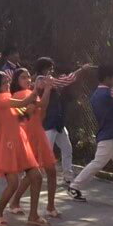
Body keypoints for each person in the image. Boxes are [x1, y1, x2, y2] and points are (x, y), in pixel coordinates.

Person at [0, 71, 45, 226]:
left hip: (19, 143)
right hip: (6, 146)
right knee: (13, 183)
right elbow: (22, 103)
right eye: (4, 82)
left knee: (36, 176)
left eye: (8, 81)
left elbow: (23, 112)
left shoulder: (7, 99)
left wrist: (32, 105)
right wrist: (36, 88)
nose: (8, 84)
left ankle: (33, 215)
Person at [68, 65, 113, 204]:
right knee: (98, 163)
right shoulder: (106, 93)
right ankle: (74, 186)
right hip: (110, 134)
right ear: (107, 79)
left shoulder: (99, 94)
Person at [6, 68, 59, 218]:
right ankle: (17, 202)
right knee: (34, 174)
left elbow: (42, 111)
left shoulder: (29, 94)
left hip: (37, 133)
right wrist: (45, 88)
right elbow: (41, 105)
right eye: (23, 77)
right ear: (16, 81)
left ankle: (49, 206)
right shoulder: (21, 95)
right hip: (29, 135)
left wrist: (46, 88)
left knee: (45, 172)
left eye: (29, 76)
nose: (27, 79)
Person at [33, 58, 90, 186]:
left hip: (57, 121)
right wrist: (82, 70)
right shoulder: (41, 80)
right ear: (43, 69)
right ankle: (34, 175)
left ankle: (68, 176)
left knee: (67, 148)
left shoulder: (46, 79)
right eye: (50, 68)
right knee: (45, 151)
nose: (52, 70)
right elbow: (66, 80)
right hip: (48, 122)